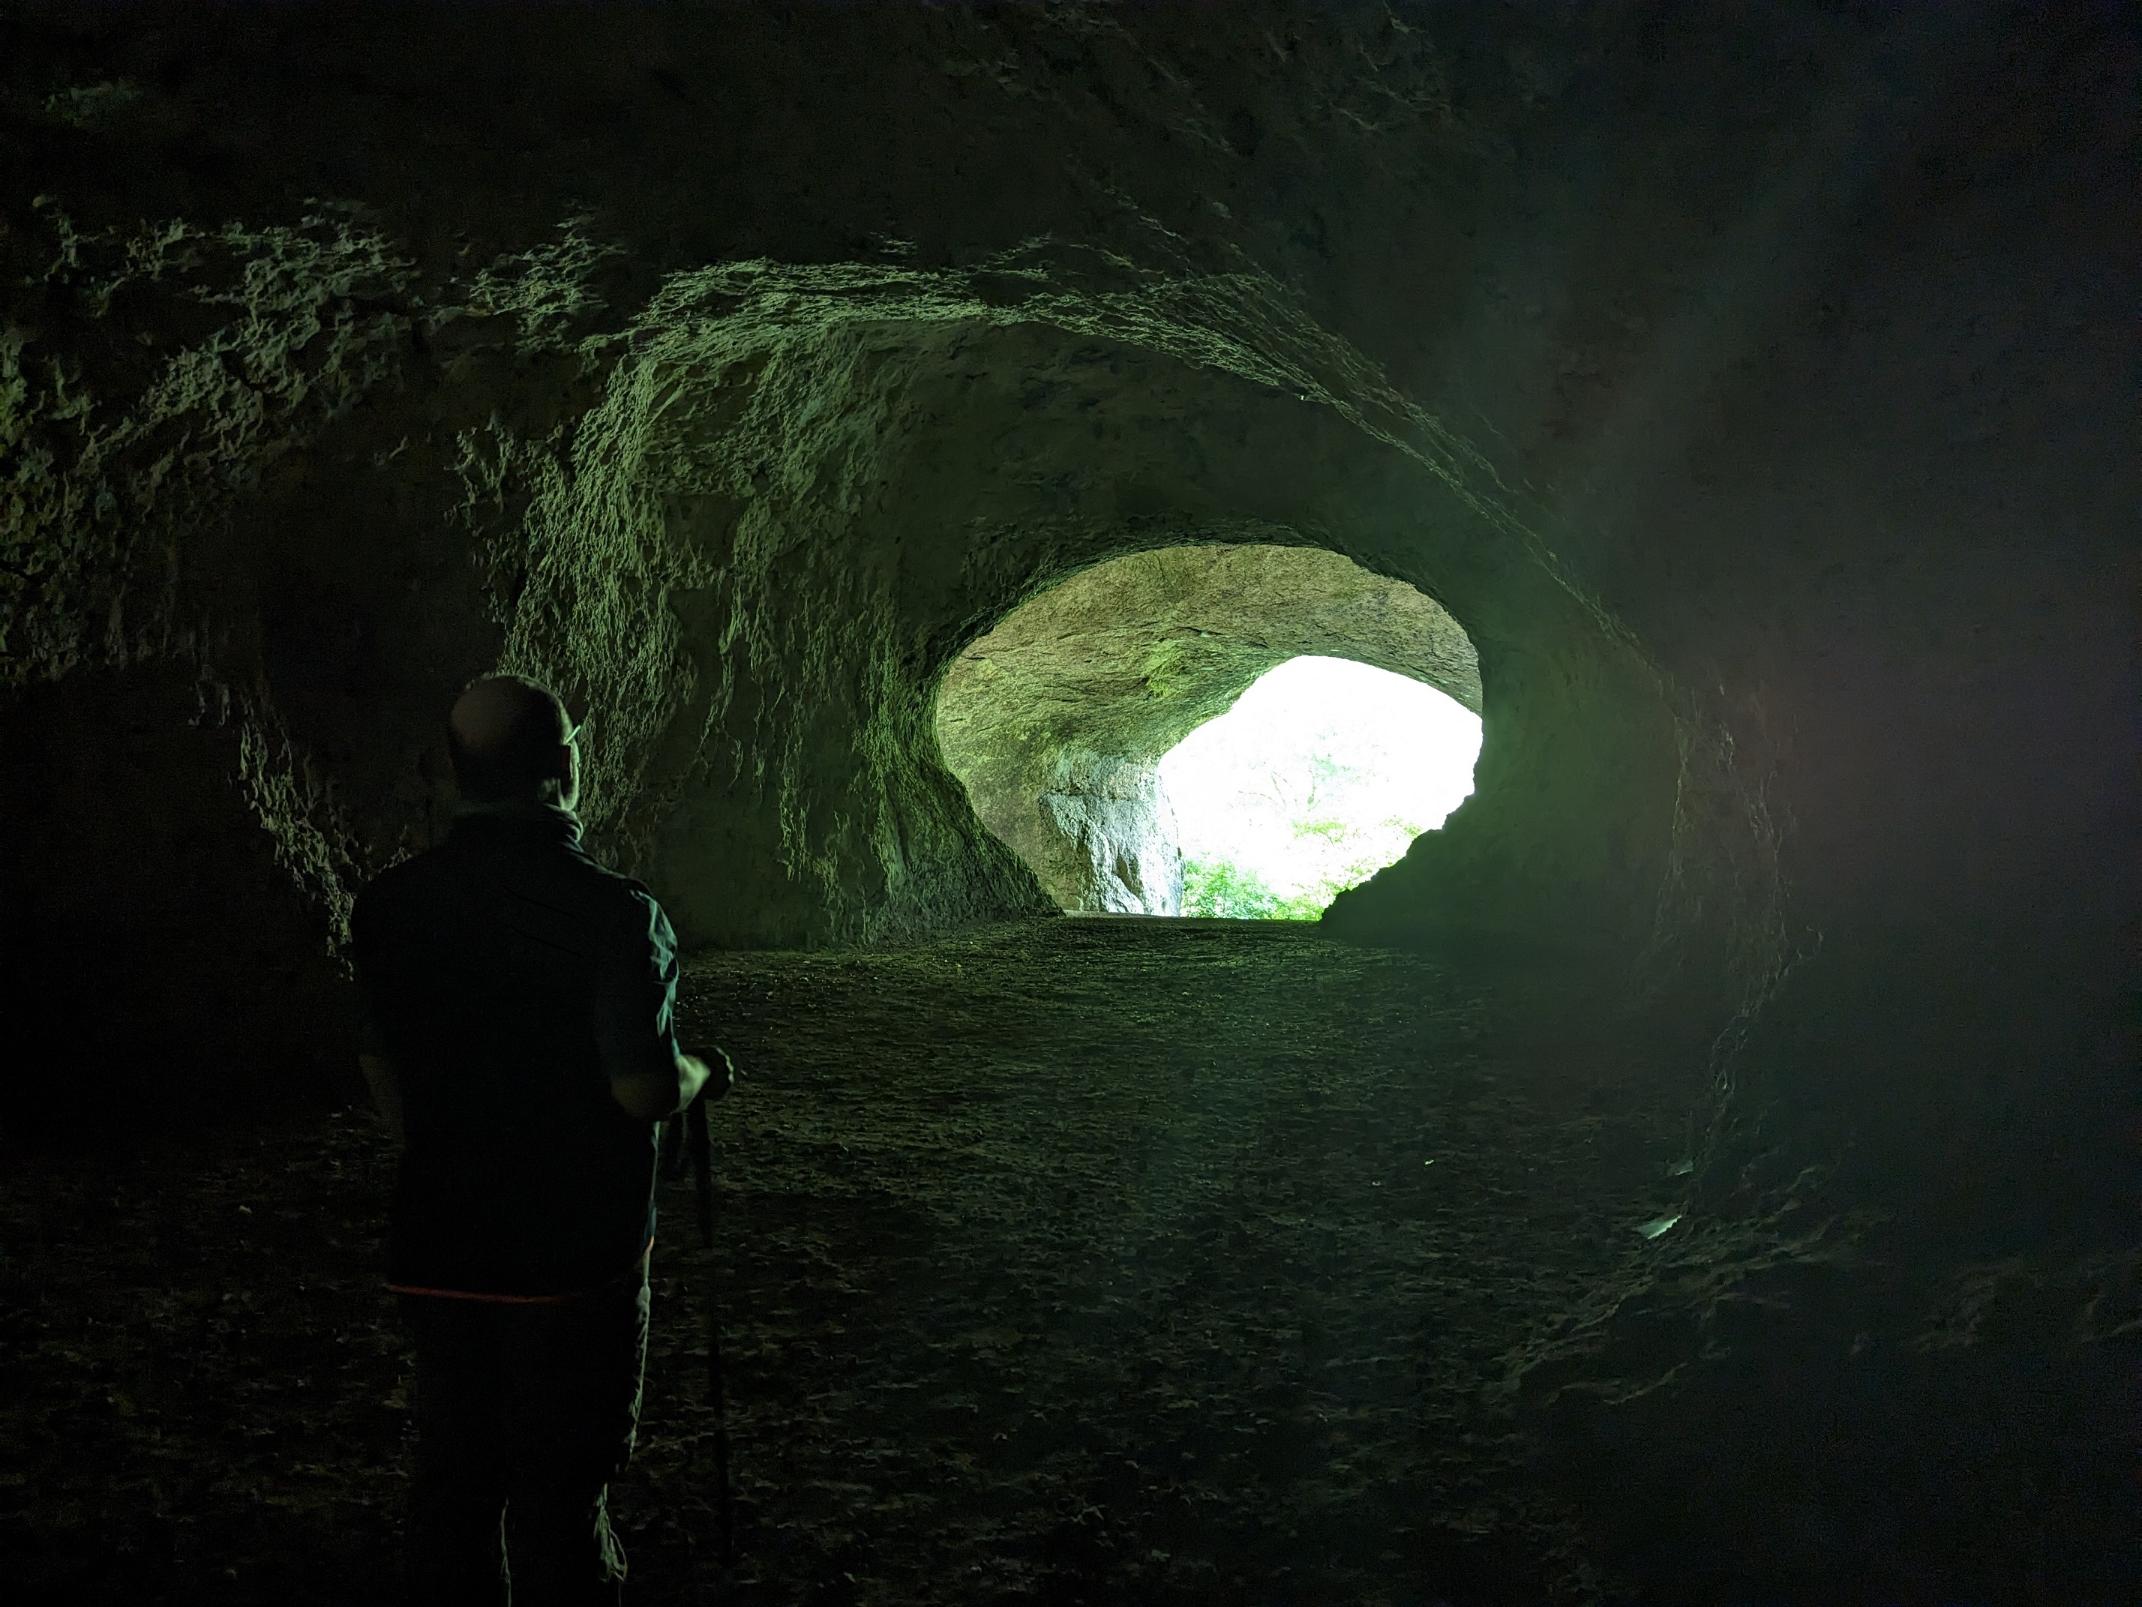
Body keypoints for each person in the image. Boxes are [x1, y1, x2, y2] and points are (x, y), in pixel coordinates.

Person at [351, 673, 735, 1606]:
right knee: (563, 1496)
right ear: (566, 767)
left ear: (455, 773)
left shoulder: (389, 905)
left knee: (455, 1482)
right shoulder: (614, 913)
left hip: (438, 1244)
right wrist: (706, 1072)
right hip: (572, 1259)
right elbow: (644, 1088)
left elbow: (384, 1075)